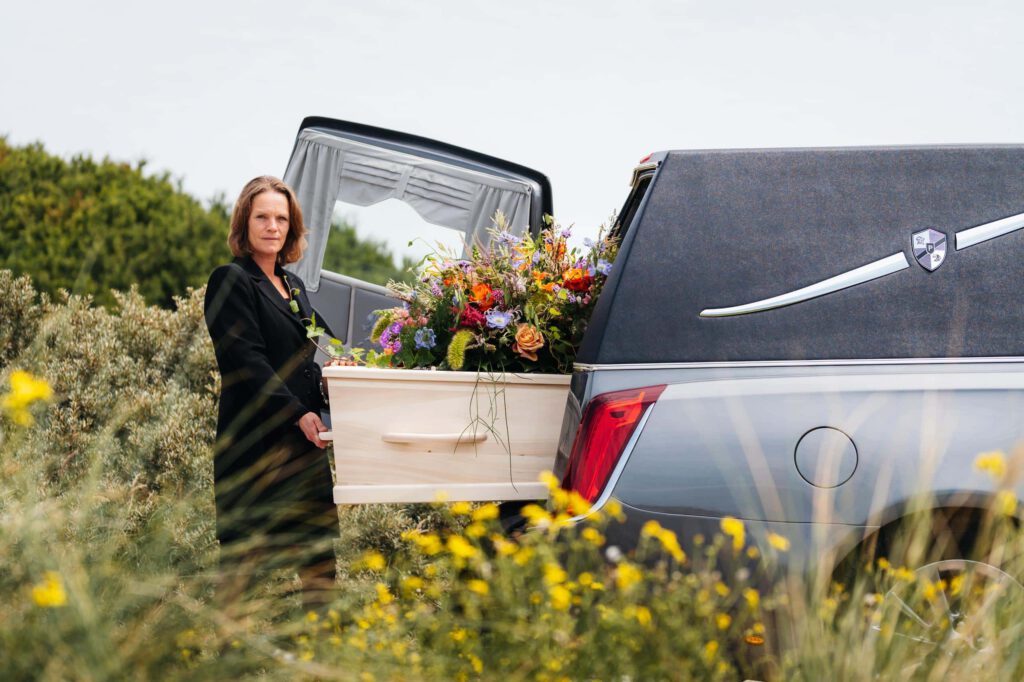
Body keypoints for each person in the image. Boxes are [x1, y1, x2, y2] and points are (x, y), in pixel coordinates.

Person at [204, 175, 338, 607]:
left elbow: (306, 360)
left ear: (291, 227)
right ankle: (227, 668)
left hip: (304, 448)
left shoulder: (294, 287)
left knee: (321, 569)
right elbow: (247, 363)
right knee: (242, 574)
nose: (272, 226)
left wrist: (336, 373)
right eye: (262, 216)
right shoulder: (230, 280)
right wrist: (298, 412)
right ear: (244, 224)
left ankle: (322, 665)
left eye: (281, 218)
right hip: (256, 447)